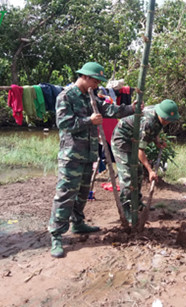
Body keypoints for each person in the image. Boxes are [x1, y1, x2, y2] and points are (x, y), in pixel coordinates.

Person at [48, 62, 138, 258]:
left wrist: (131, 108)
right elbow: (63, 123)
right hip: (71, 155)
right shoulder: (66, 96)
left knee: (82, 192)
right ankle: (56, 235)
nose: (98, 84)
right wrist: (89, 121)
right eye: (96, 80)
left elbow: (109, 110)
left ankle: (78, 223)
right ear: (85, 77)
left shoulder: (92, 96)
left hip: (89, 154)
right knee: (65, 195)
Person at [111, 99, 180, 222]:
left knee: (138, 171)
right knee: (128, 174)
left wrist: (157, 142)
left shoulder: (158, 114)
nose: (167, 121)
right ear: (160, 114)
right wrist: (150, 170)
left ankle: (137, 203)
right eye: (166, 119)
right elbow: (140, 151)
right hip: (122, 138)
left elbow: (156, 129)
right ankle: (125, 208)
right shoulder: (148, 122)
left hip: (134, 138)